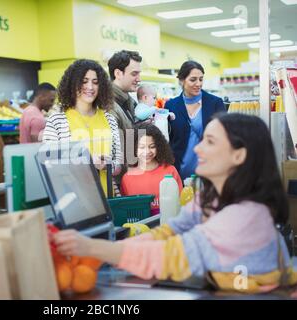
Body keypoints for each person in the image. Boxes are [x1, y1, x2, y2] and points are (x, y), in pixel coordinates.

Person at [53, 113, 297, 293]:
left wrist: (90, 248)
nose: (198, 149)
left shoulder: (244, 217)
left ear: (239, 155)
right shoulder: (211, 199)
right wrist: (106, 252)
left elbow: (169, 255)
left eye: (210, 142)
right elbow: (168, 232)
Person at [43, 59, 122, 196]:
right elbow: (49, 164)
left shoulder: (109, 119)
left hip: (107, 197)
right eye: (84, 81)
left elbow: (118, 165)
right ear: (73, 84)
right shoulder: (57, 120)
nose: (90, 87)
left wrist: (108, 164)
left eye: (95, 82)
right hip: (74, 199)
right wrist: (86, 163)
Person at [165, 60, 226, 180]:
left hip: (210, 172)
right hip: (178, 172)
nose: (198, 83)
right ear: (182, 81)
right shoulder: (171, 105)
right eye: (193, 80)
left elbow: (224, 137)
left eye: (201, 79)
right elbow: (168, 138)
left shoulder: (215, 103)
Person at [121, 123, 182, 215]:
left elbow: (181, 202)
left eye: (152, 146)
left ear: (159, 146)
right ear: (133, 148)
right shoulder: (127, 178)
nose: (147, 152)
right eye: (141, 147)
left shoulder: (170, 171)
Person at [107, 50, 142, 183]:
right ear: (118, 73)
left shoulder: (129, 101)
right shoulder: (108, 106)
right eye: (134, 74)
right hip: (120, 181)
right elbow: (116, 152)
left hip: (129, 177)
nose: (139, 79)